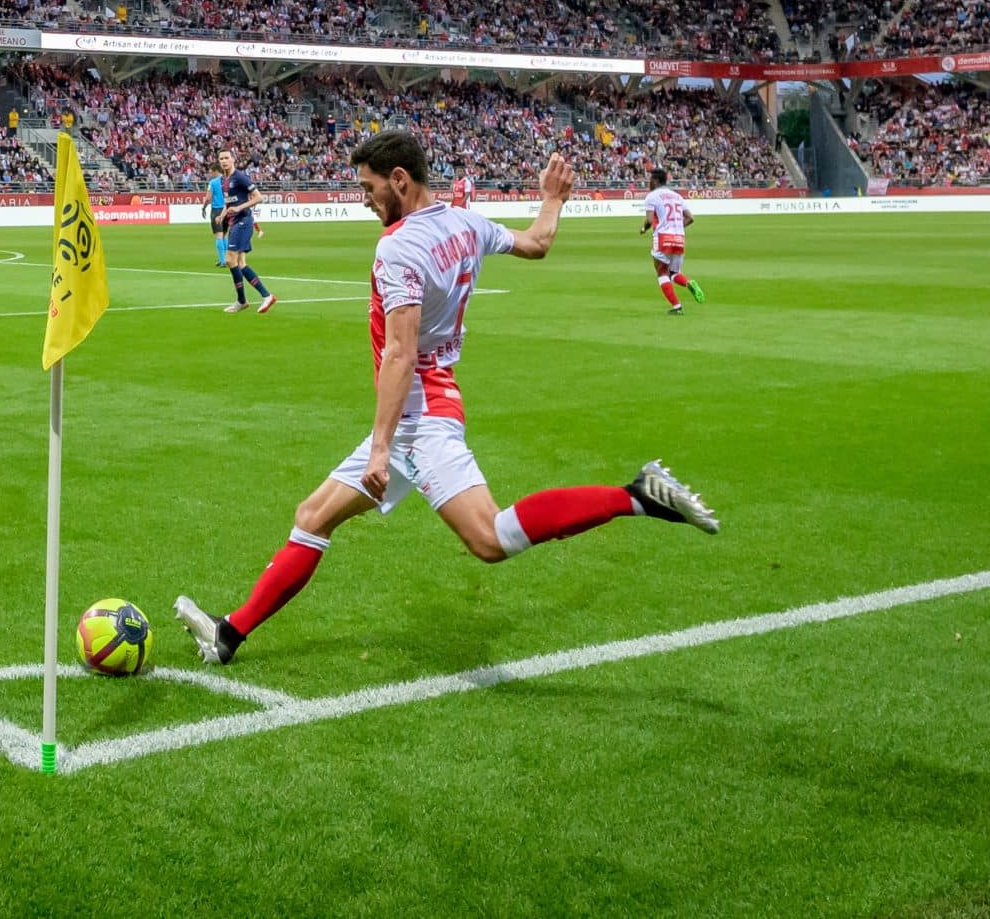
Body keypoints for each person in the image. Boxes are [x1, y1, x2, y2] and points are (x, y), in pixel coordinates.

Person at [172, 131, 718, 667]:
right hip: (424, 404)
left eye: (369, 189)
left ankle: (638, 495)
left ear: (400, 180)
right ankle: (229, 634)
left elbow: (400, 354)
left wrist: (382, 447)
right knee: (313, 516)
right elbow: (537, 243)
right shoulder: (464, 221)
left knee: (489, 537)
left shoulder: (399, 247)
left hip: (419, 416)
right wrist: (552, 200)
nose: (365, 201)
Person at [217, 147, 275, 313]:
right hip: (234, 222)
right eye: (221, 159)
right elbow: (228, 203)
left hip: (243, 221)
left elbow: (259, 197)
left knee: (229, 259)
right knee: (240, 263)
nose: (224, 161)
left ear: (233, 159)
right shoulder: (223, 180)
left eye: (226, 158)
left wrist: (239, 208)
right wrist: (222, 215)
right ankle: (246, 300)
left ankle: (262, 296)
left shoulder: (240, 177)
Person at [641, 167, 705, 315]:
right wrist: (676, 226)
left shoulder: (652, 196)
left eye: (650, 179)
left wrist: (643, 229)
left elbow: (649, 221)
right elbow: (690, 218)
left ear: (656, 180)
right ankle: (689, 283)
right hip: (679, 238)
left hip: (663, 237)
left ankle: (677, 307)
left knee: (662, 273)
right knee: (674, 273)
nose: (648, 182)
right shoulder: (677, 196)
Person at [207, 169, 230, 268]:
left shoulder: (212, 182)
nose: (210, 173)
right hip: (226, 209)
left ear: (215, 171)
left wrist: (203, 207)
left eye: (211, 171)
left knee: (219, 236)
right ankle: (228, 259)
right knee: (224, 235)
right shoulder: (227, 180)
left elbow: (208, 198)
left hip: (216, 210)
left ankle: (223, 260)